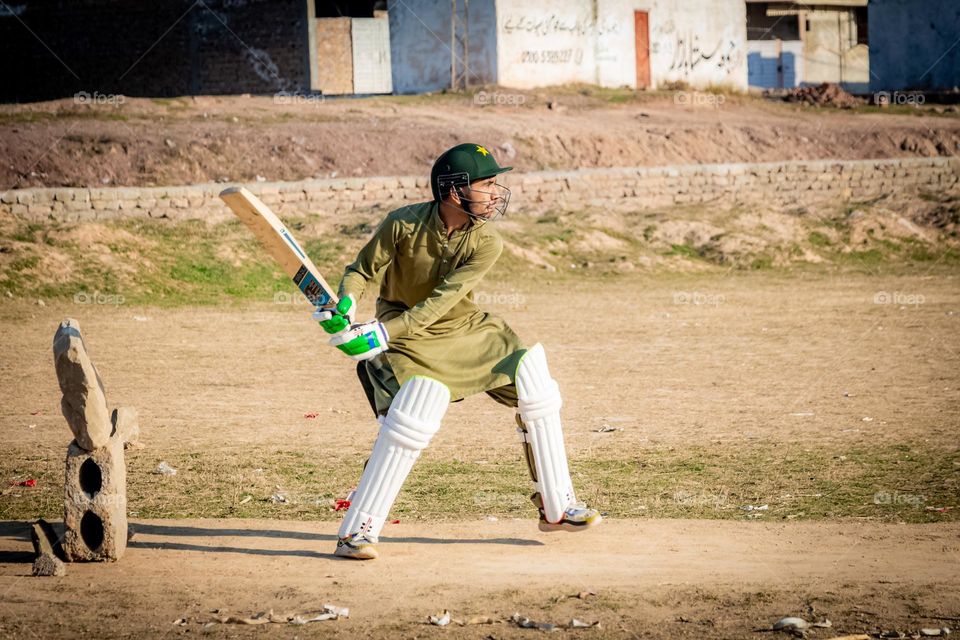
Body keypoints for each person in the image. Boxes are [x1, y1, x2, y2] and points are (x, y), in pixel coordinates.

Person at [314, 143, 601, 560]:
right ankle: (358, 532)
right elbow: (361, 271)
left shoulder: (487, 242)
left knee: (534, 381)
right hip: (408, 337)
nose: (495, 192)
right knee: (415, 411)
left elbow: (442, 303)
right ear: (454, 192)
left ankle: (557, 506)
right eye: (486, 184)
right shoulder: (403, 223)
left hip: (464, 328)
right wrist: (346, 303)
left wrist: (380, 333)